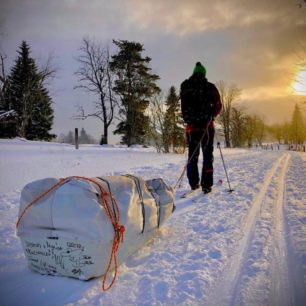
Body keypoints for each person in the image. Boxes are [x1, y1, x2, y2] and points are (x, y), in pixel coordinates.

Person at [180, 62, 222, 194]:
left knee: (193, 155)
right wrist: (211, 115)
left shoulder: (185, 86)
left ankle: (194, 184)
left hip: (191, 128)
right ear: (204, 73)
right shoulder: (210, 87)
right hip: (206, 127)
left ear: (194, 72)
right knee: (207, 155)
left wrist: (189, 119)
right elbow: (218, 105)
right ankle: (206, 185)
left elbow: (183, 107)